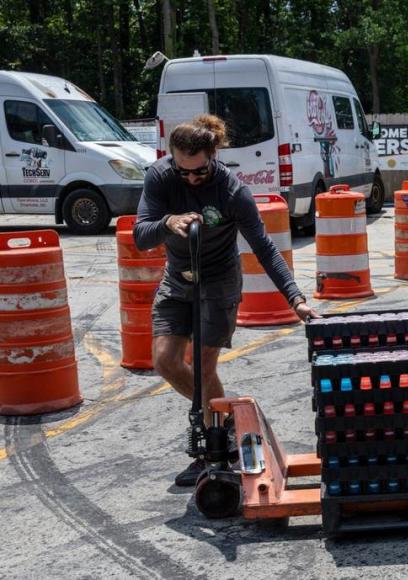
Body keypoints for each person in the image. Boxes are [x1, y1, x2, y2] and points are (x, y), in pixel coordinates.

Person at [134, 114, 319, 487]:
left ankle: (215, 445)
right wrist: (167, 222)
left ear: (213, 156)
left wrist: (294, 298)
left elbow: (264, 248)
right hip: (178, 280)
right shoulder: (158, 177)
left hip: (219, 282)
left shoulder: (232, 191)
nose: (190, 179)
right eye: (182, 172)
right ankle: (228, 420)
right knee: (166, 362)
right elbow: (141, 234)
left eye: (198, 172)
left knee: (203, 367)